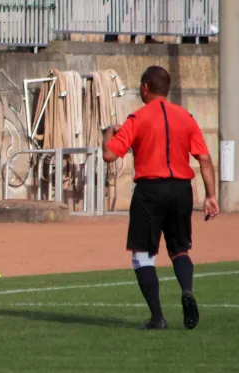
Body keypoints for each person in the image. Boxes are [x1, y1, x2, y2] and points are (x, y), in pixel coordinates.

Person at [102, 65, 220, 330]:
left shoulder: (137, 118)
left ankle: (157, 318)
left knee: (142, 254)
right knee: (179, 249)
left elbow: (109, 154)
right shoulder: (186, 118)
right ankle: (187, 290)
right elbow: (204, 159)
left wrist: (108, 134)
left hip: (150, 190)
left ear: (145, 87)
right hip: (181, 189)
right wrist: (211, 196)